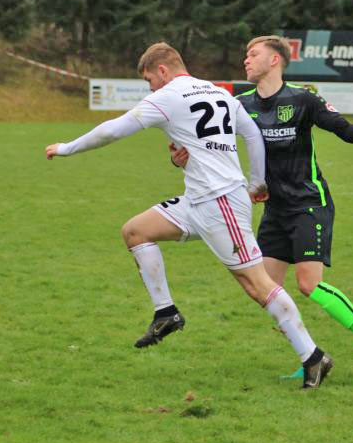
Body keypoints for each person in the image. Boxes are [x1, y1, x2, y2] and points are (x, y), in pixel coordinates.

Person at [46, 42, 333, 389]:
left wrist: (66, 148)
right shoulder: (219, 92)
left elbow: (113, 129)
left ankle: (313, 357)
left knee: (257, 285)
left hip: (220, 202)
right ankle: (166, 313)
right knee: (135, 232)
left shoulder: (169, 96)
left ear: (163, 71)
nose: (151, 88)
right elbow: (252, 133)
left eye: (151, 79)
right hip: (198, 200)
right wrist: (256, 181)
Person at [171, 35, 353, 384]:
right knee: (268, 289)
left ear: (275, 60)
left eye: (253, 53)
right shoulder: (240, 103)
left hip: (308, 203)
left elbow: (342, 128)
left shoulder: (302, 98)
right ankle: (311, 357)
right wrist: (182, 156)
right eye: (245, 53)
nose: (246, 59)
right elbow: (208, 140)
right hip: (273, 207)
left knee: (309, 285)